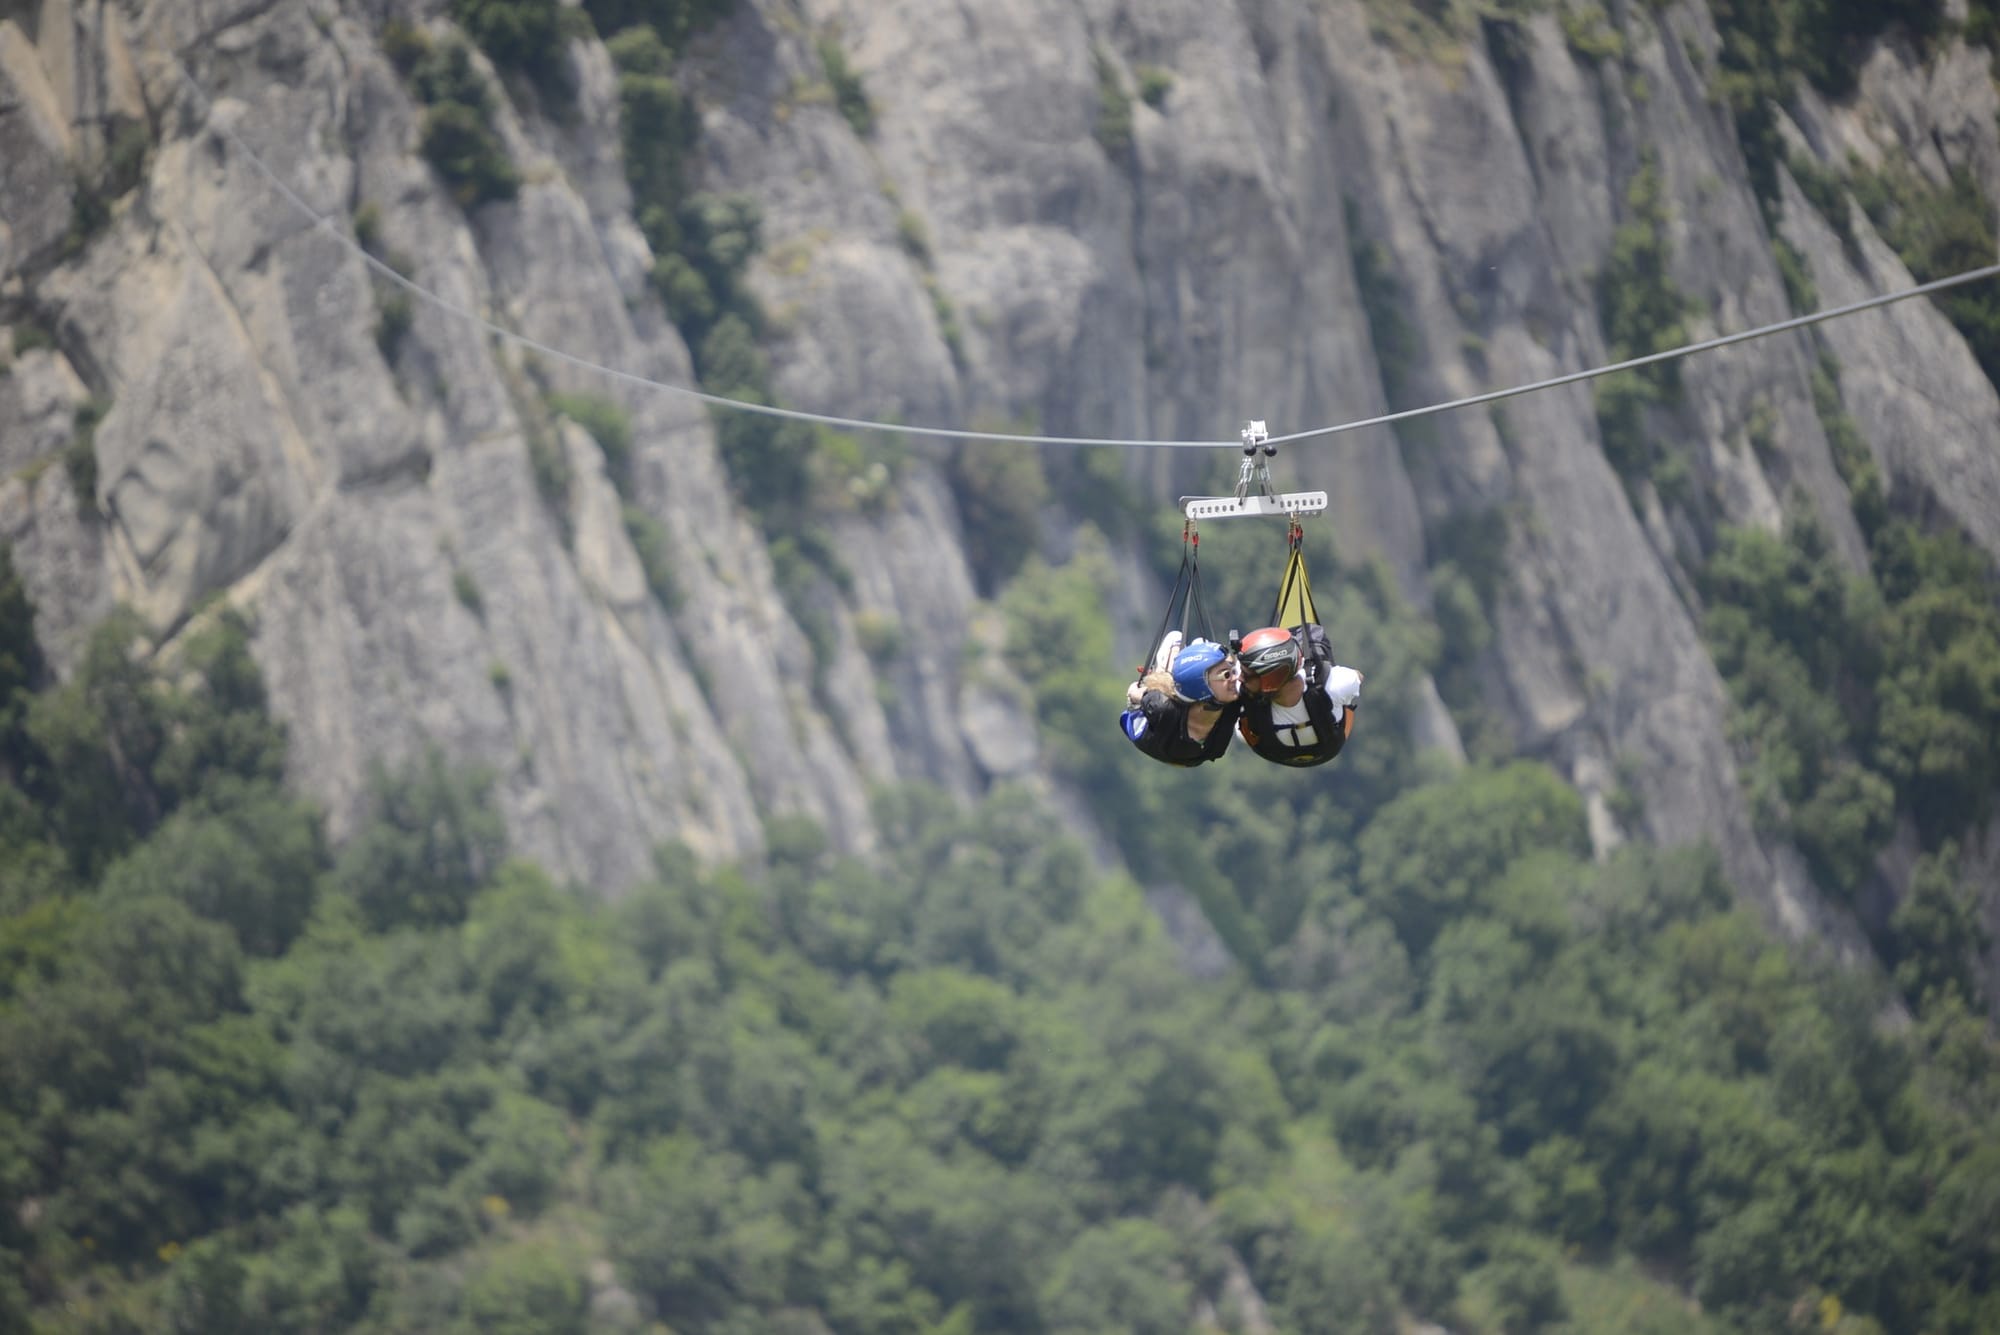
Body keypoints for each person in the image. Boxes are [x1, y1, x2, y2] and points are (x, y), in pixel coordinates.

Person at [1234, 624, 1362, 767]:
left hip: (1295, 750)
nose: (1239, 678)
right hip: (1281, 750)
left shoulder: (1332, 686)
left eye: (1246, 675)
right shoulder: (1339, 683)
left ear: (1271, 679)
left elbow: (1355, 678)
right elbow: (1357, 677)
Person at [1120, 637, 1244, 767]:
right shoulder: (1164, 709)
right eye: (1226, 675)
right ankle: (1166, 668)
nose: (1235, 678)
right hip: (1150, 735)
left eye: (1233, 671)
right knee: (1175, 641)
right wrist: (1142, 690)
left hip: (1191, 755)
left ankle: (1189, 657)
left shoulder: (1233, 701)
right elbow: (1133, 691)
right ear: (1201, 685)